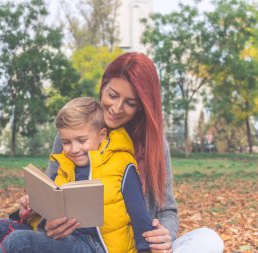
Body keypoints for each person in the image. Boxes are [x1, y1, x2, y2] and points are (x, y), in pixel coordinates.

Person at [45, 52, 224, 253]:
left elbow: (168, 211)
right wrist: (46, 221)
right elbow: (49, 193)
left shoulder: (154, 143)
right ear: (103, 87)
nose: (116, 108)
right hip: (85, 245)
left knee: (209, 240)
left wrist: (165, 234)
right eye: (112, 95)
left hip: (139, 246)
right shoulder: (74, 134)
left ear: (141, 106)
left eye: (130, 103)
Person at [0, 97, 158, 253]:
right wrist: (32, 210)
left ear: (102, 135)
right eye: (66, 142)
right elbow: (51, 212)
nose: (73, 149)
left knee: (19, 242)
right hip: (66, 240)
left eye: (81, 140)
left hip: (98, 247)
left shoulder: (121, 164)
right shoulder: (65, 164)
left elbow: (140, 216)